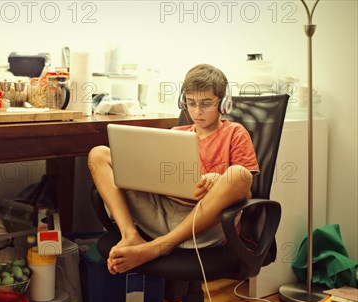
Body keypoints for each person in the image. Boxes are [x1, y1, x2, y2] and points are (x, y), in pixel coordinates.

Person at [87, 64, 259, 274]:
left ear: (223, 103)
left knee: (238, 174)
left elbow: (246, 191)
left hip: (204, 225)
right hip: (161, 214)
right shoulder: (176, 133)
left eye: (206, 104)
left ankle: (159, 247)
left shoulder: (235, 133)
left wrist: (219, 180)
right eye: (191, 103)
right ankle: (130, 235)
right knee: (98, 154)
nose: (197, 111)